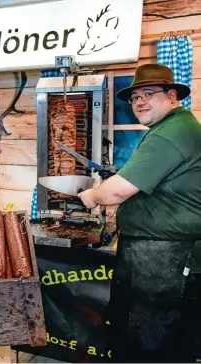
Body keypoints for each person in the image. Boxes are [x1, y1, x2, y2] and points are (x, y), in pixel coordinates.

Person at [78, 64, 201, 362]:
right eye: (135, 98)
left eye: (149, 94)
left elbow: (118, 191)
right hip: (159, 256)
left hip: (164, 260)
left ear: (172, 96)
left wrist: (92, 196)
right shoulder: (174, 129)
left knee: (151, 343)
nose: (140, 102)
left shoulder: (171, 132)